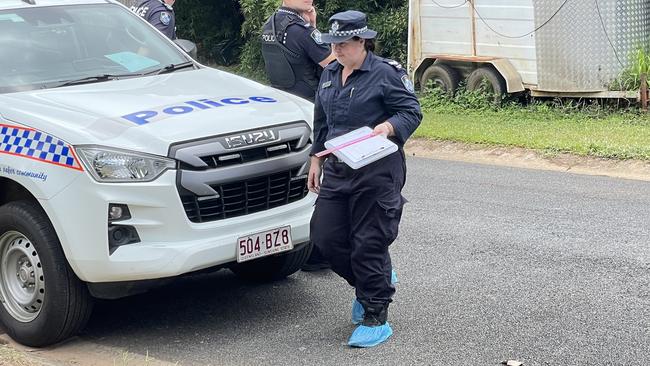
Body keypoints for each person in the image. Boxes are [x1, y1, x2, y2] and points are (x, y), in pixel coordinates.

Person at [307, 10, 422, 348]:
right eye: (334, 43)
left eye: (343, 44)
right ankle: (373, 282)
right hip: (340, 169)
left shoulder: (384, 74)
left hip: (377, 172)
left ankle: (375, 313)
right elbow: (322, 121)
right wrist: (316, 159)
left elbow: (411, 112)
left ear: (362, 41)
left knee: (368, 243)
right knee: (325, 236)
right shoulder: (330, 74)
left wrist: (389, 127)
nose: (337, 49)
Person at [261, 0, 336, 272]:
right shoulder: (300, 30)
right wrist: (314, 27)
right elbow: (334, 64)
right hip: (311, 110)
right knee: (320, 180)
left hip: (283, 110)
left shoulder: (269, 25)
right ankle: (315, 252)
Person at [261, 0, 336, 102]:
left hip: (282, 99)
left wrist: (312, 24)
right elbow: (335, 66)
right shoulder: (302, 30)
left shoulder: (269, 24)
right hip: (309, 105)